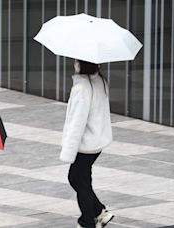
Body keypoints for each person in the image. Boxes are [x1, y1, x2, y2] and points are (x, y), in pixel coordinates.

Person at [60, 59, 114, 228]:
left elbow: (77, 122)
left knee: (77, 179)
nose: (74, 63)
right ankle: (99, 212)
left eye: (76, 61)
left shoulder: (82, 88)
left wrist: (69, 150)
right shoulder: (100, 81)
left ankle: (87, 222)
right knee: (81, 179)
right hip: (96, 142)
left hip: (86, 144)